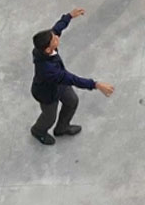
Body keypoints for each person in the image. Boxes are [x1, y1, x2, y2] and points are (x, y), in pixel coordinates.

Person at [30, 8, 114, 146]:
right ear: (48, 49)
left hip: (59, 84)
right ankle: (38, 131)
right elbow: (72, 79)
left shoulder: (44, 48)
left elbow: (56, 29)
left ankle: (62, 128)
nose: (56, 37)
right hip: (47, 94)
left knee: (72, 101)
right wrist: (96, 84)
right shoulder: (48, 70)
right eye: (54, 39)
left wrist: (69, 16)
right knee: (49, 117)